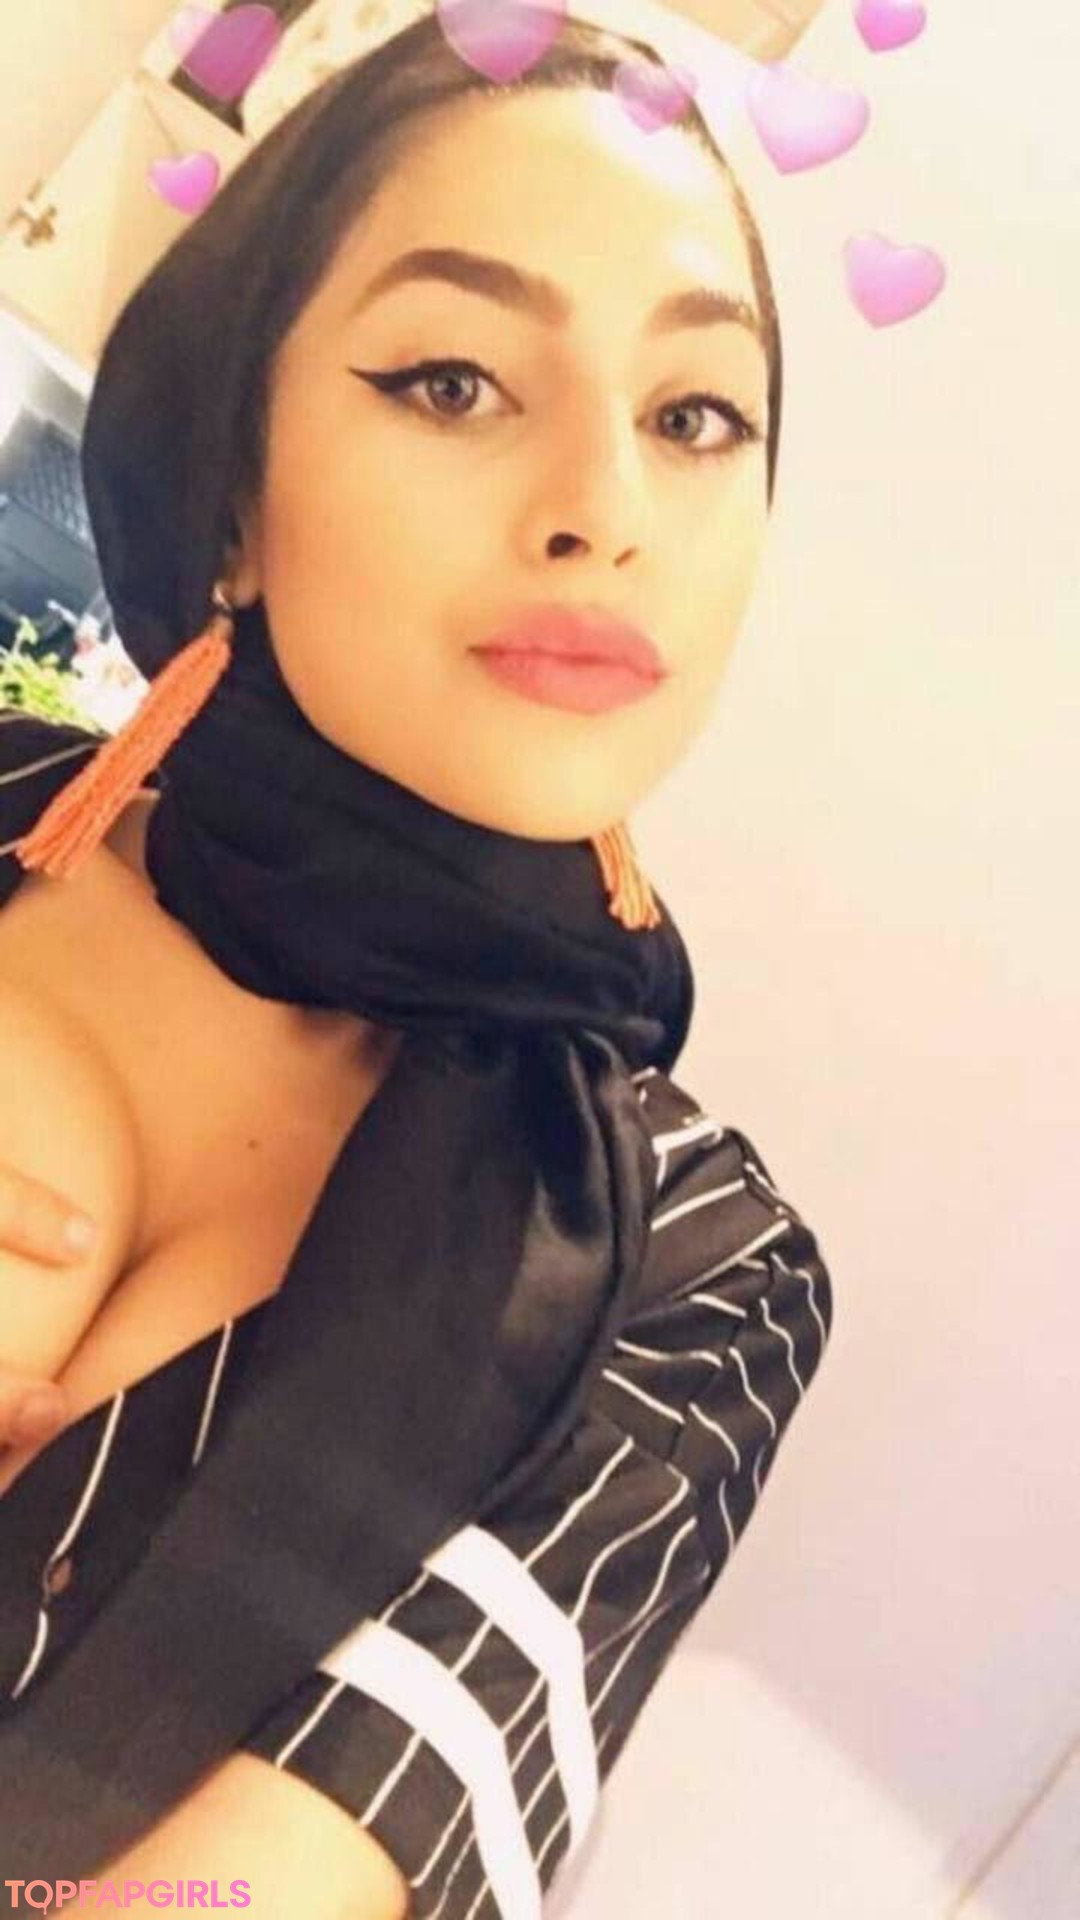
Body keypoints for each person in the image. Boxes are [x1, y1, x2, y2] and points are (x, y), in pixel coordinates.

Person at [0, 7, 833, 1914]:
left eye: (695, 416)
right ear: (231, 485)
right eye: (455, 382)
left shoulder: (696, 1274)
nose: (604, 511)